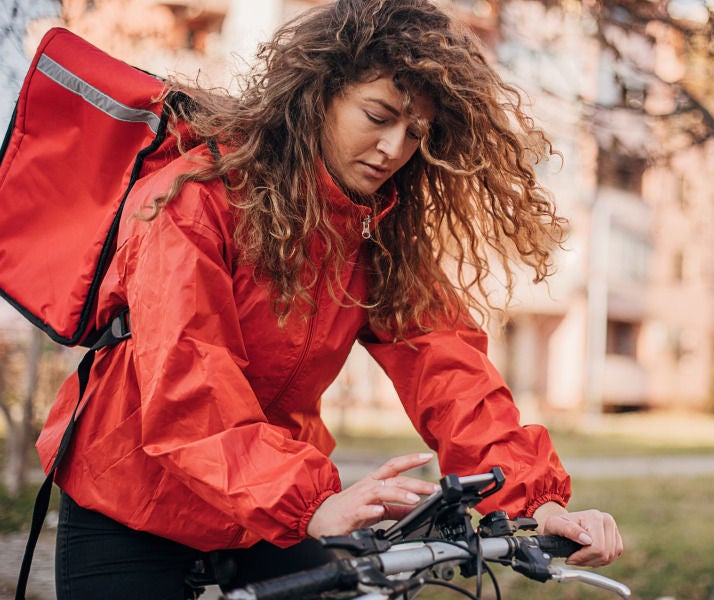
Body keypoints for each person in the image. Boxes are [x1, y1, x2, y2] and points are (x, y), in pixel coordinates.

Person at [34, 0, 622, 598]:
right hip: (134, 491)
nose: (394, 148)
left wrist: (536, 501)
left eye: (416, 133)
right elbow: (192, 385)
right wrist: (309, 502)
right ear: (320, 95)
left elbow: (450, 370)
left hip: (264, 500)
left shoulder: (375, 233)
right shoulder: (197, 200)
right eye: (378, 115)